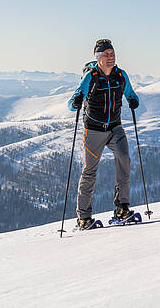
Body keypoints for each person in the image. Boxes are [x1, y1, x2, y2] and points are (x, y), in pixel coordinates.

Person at [68, 39, 140, 229]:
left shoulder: (120, 75)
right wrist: (75, 101)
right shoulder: (90, 77)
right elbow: (72, 102)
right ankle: (84, 218)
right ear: (98, 58)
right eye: (106, 54)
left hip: (115, 128)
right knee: (89, 171)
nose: (111, 57)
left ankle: (122, 208)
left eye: (112, 54)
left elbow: (131, 94)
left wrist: (133, 100)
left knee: (124, 158)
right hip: (93, 130)